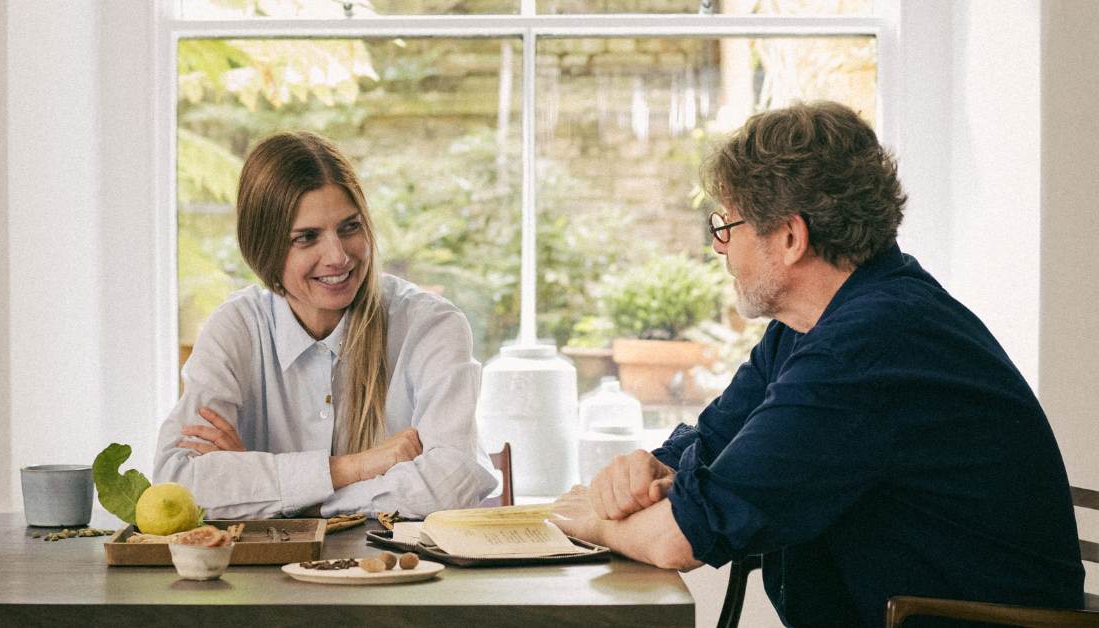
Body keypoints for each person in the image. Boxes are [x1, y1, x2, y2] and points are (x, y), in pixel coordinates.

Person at [552, 101, 1084, 627]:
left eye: (726, 226)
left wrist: (594, 522)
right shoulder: (807, 330)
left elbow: (680, 539)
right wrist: (647, 468)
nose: (719, 248)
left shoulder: (869, 347)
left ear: (790, 237)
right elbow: (709, 445)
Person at [154, 131, 497, 520]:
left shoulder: (430, 325)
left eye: (350, 227)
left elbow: (450, 485)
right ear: (262, 247)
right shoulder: (236, 329)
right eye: (307, 238)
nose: (337, 256)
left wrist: (278, 492)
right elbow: (177, 481)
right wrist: (357, 467)